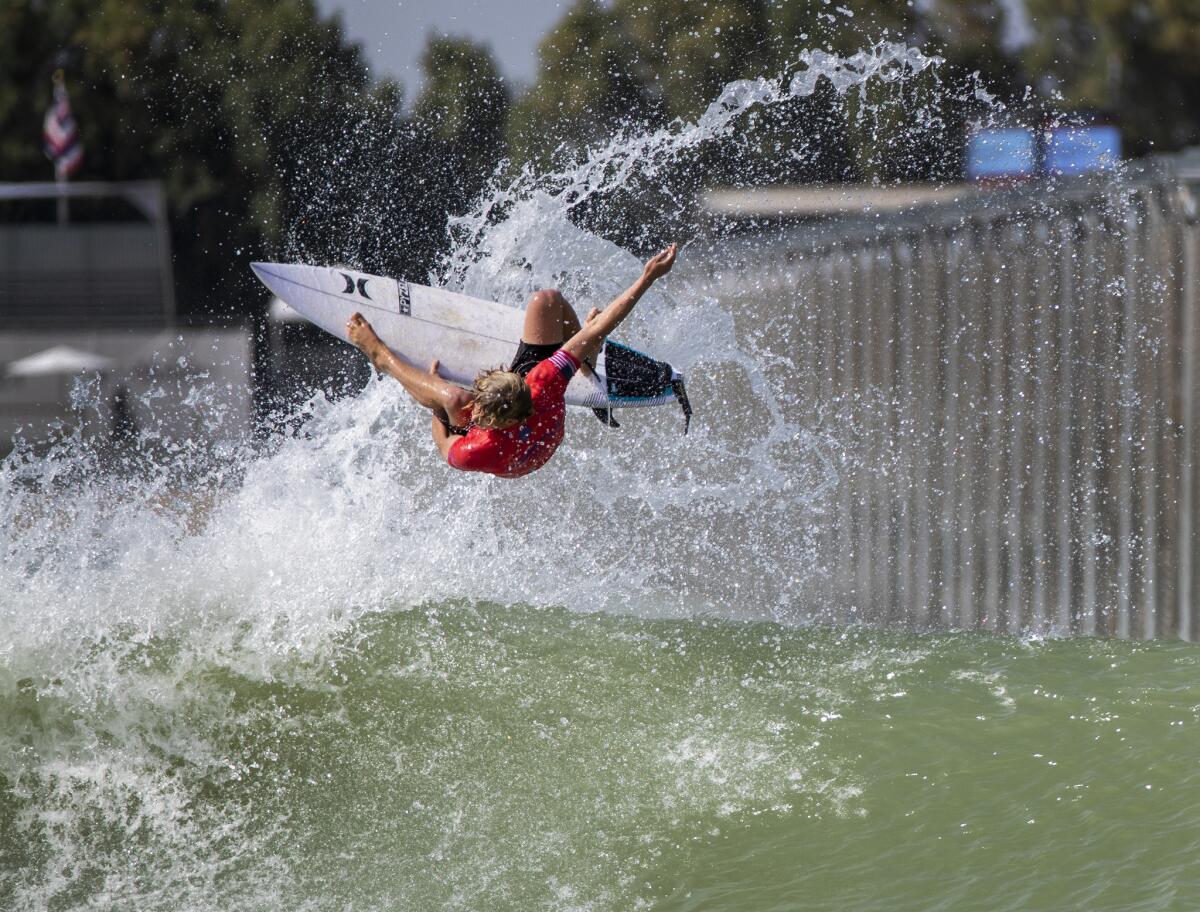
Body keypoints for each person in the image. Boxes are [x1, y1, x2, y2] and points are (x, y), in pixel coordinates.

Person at [346, 243, 677, 478]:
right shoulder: (543, 383)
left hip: (517, 454)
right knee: (547, 301)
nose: (474, 405)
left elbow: (444, 441)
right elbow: (600, 328)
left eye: (478, 407)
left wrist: (438, 406)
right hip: (531, 430)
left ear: (485, 420)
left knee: (453, 397)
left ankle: (380, 356)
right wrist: (647, 277)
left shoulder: (476, 448)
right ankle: (585, 361)